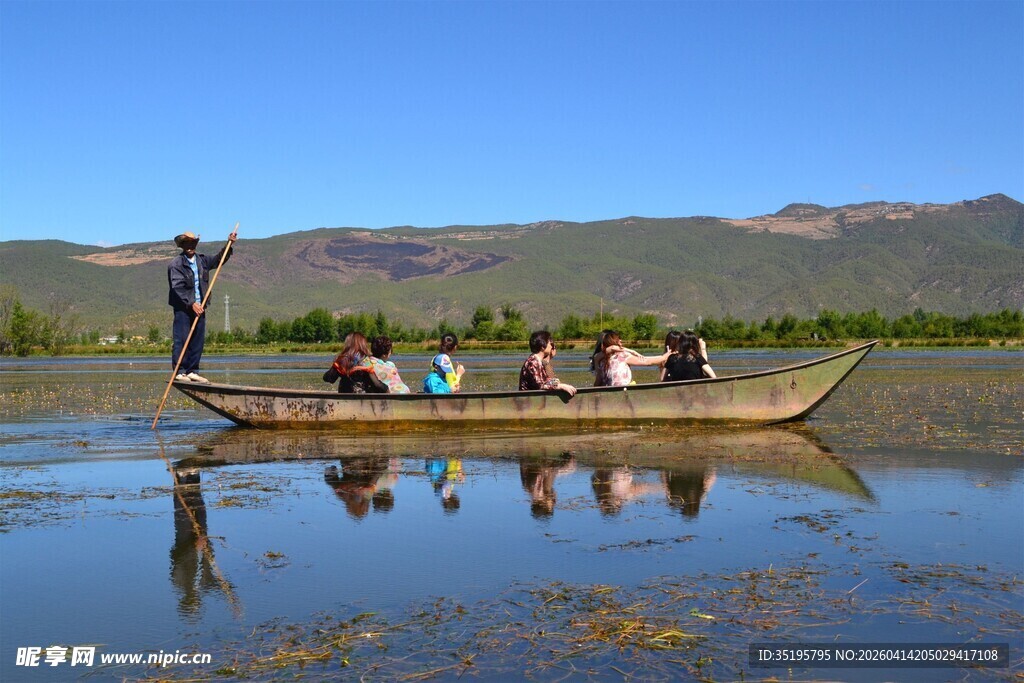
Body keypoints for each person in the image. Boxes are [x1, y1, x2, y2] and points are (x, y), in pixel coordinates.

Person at [167, 229, 237, 383]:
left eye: (192, 243)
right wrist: (191, 303)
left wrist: (229, 245)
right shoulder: (176, 265)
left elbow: (219, 259)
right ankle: (180, 372)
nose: (190, 246)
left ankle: (193, 371)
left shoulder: (202, 261)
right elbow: (177, 287)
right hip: (183, 309)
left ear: (195, 244)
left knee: (197, 340)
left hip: (201, 307)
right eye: (186, 244)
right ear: (182, 246)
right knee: (182, 339)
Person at [592, 330, 670, 387]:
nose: (620, 340)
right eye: (618, 339)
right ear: (614, 342)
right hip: (623, 392)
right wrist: (664, 357)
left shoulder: (602, 361)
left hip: (610, 394)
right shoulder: (623, 356)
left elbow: (597, 383)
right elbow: (647, 361)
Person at [323, 332, 387, 393]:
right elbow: (377, 384)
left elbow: (329, 378)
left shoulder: (341, 360)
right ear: (362, 344)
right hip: (362, 398)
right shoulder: (365, 361)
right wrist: (387, 389)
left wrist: (335, 366)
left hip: (343, 397)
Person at [519, 330, 577, 398]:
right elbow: (540, 385)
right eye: (550, 344)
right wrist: (560, 386)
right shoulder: (532, 362)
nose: (551, 347)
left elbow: (547, 380)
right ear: (543, 347)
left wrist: (558, 383)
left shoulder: (539, 361)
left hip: (535, 400)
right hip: (527, 400)